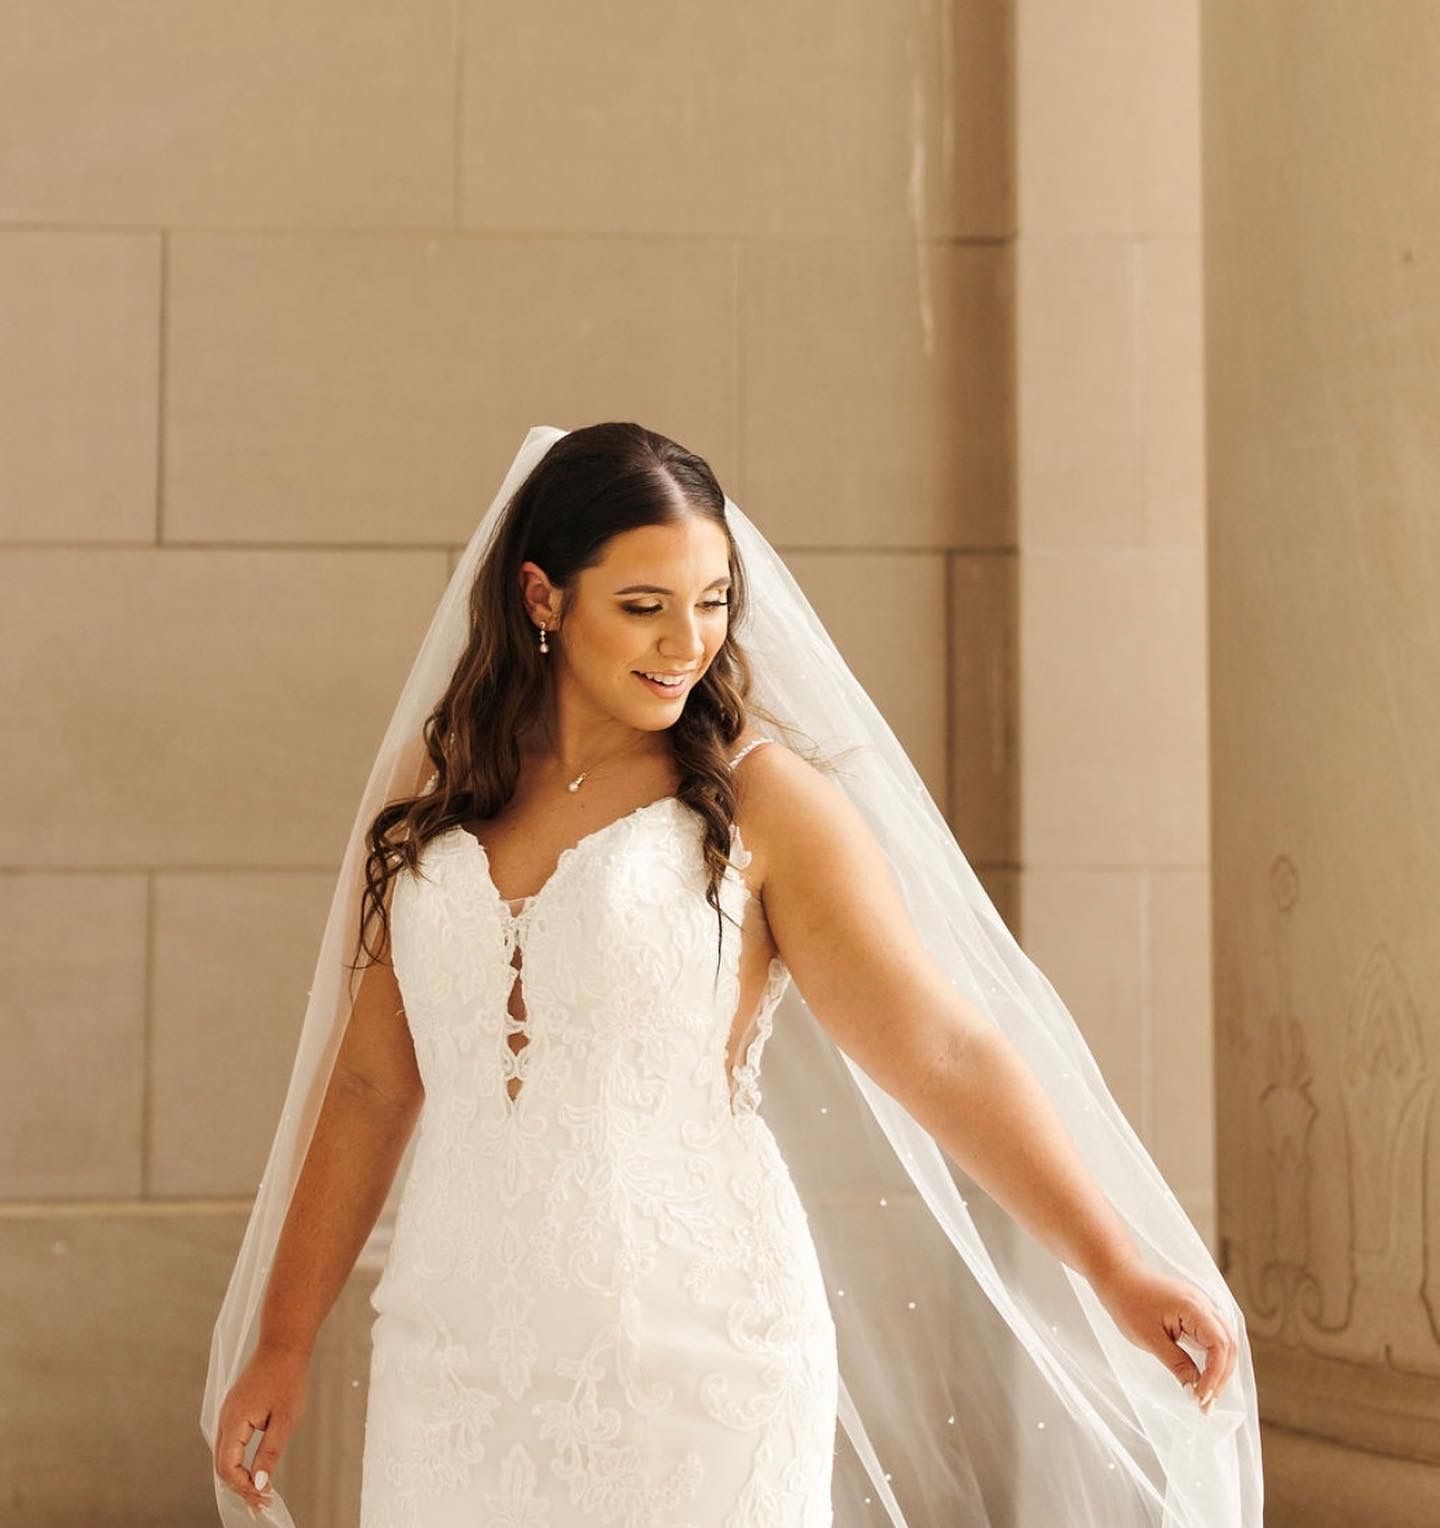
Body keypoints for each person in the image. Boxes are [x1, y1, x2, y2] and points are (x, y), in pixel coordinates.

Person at [203, 421, 1263, 1526]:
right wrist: (283, 1341)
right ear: (542, 598)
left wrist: (1113, 1262)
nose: (688, 640)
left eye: (713, 600)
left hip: (698, 1355)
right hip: (453, 1348)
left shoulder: (763, 800)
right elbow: (374, 1085)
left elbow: (943, 1052)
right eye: (645, 606)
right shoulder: (437, 783)